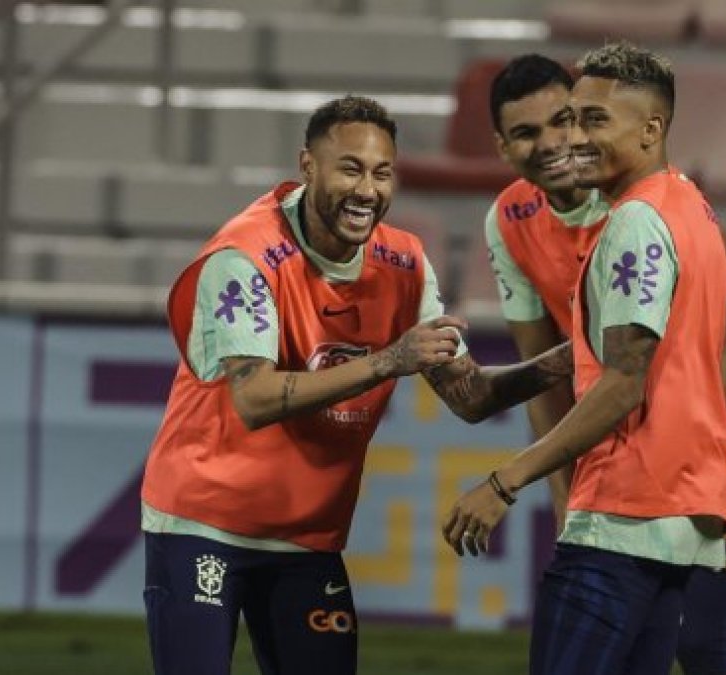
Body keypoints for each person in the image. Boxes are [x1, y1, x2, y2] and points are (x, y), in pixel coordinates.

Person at [140, 95, 573, 675]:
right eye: (350, 168)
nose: (367, 190)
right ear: (308, 165)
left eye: (382, 172)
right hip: (204, 523)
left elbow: (470, 399)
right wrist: (387, 361)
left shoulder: (406, 264)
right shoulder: (243, 257)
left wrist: (574, 359)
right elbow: (255, 398)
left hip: (307, 538)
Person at [483, 54, 726, 675]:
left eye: (571, 121)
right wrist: (568, 496)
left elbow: (712, 350)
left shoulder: (637, 213)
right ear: (503, 146)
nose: (557, 142)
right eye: (529, 132)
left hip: (725, 439)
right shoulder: (515, 221)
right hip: (645, 451)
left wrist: (700, 483)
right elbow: (549, 370)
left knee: (702, 640)